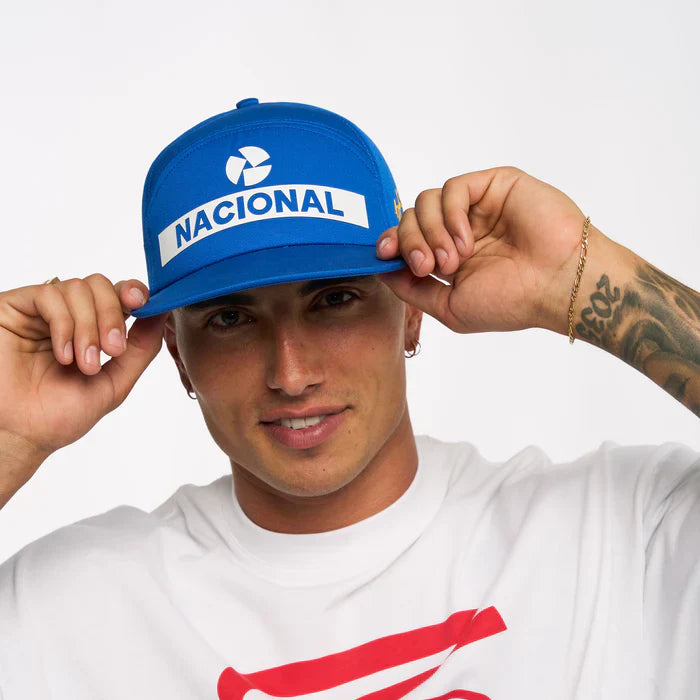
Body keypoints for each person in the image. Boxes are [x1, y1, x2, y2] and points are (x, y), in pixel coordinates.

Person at [0, 98, 697, 699]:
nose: (291, 373)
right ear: (179, 356)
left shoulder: (619, 535)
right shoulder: (68, 609)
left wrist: (588, 281)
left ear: (412, 310)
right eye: (231, 318)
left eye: (334, 299)